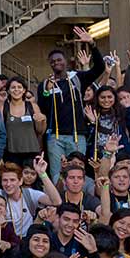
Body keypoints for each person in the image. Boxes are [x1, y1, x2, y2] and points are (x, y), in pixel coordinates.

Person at [36, 27, 104, 178]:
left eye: (59, 60)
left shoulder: (77, 78)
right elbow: (43, 110)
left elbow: (100, 68)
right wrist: (47, 92)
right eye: (52, 62)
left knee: (77, 174)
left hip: (77, 136)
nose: (56, 63)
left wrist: (92, 44)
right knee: (56, 175)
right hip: (55, 138)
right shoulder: (45, 84)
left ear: (65, 61)